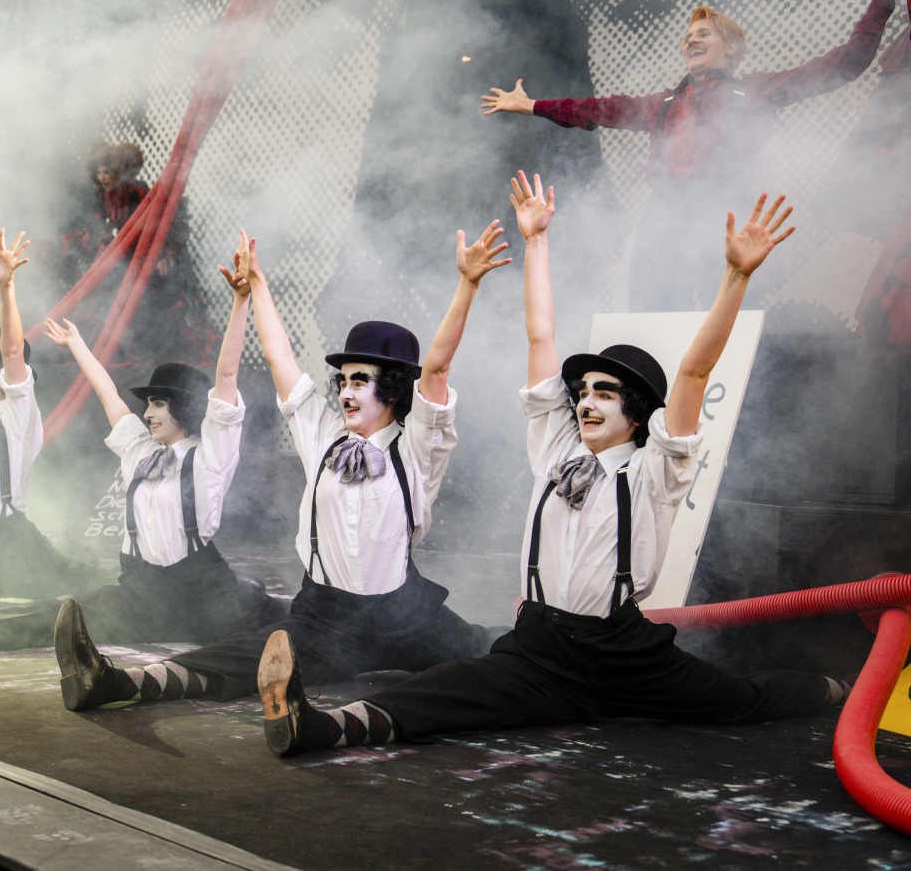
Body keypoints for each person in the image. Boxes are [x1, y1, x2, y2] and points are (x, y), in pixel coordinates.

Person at [255, 171, 847, 757]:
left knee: (740, 703)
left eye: (604, 394)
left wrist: (737, 277)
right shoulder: (555, 449)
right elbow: (542, 337)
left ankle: (831, 686)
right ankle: (320, 728)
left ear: (638, 414)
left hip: (623, 651)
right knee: (442, 694)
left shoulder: (653, 474)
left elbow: (693, 373)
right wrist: (535, 241)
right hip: (540, 645)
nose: (585, 401)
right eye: (583, 391)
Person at [54, 222, 507, 711]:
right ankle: (116, 682)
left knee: (487, 650)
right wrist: (258, 286)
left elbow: (436, 370)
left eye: (361, 381)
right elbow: (280, 358)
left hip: (405, 614)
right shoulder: (323, 435)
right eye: (344, 381)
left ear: (393, 389)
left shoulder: (418, 447)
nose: (346, 391)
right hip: (325, 618)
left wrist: (468, 284)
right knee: (238, 658)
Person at [0, 231, 283, 656]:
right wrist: (78, 345)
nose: (147, 414)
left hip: (205, 592)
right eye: (148, 405)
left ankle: (256, 599)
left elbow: (226, 378)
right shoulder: (138, 450)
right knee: (52, 617)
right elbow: (108, 393)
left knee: (284, 623)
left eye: (159, 405)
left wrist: (242, 300)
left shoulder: (209, 460)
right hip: (142, 590)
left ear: (183, 412)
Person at [481, 0, 903, 310]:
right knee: (648, 323)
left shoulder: (752, 91)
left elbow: (845, 64)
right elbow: (594, 110)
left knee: (717, 326)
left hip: (724, 224)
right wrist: (532, 105)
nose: (690, 41)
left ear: (730, 47)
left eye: (703, 34)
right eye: (686, 37)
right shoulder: (663, 103)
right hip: (661, 228)